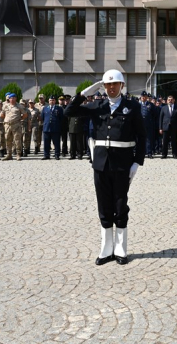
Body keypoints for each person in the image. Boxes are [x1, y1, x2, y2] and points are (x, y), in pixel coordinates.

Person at [66, 70, 146, 266]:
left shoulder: (132, 107)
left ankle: (120, 249)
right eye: (108, 85)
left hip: (122, 163)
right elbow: (68, 112)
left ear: (122, 86)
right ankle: (106, 249)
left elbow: (142, 136)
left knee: (120, 206)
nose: (111, 88)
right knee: (104, 206)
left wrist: (137, 161)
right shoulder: (97, 105)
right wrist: (84, 94)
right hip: (101, 164)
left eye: (115, 84)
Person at [1, 93, 27, 160]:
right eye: (10, 98)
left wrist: (19, 119)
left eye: (13, 98)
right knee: (7, 140)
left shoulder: (19, 106)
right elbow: (2, 115)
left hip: (16, 125)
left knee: (17, 140)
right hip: (7, 125)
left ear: (16, 98)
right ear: (9, 99)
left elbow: (25, 115)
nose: (12, 99)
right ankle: (9, 154)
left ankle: (18, 154)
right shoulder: (5, 106)